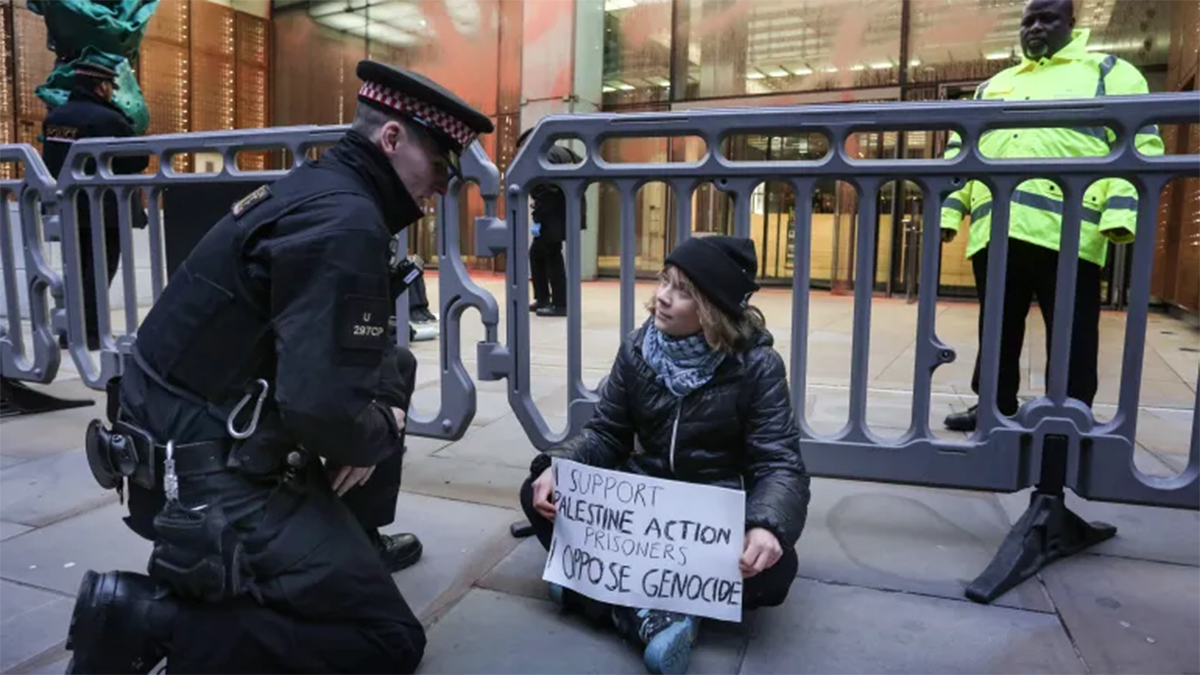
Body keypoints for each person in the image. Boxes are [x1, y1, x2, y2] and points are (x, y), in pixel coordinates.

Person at [66, 60, 493, 673]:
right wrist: (381, 429)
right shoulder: (346, 222)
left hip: (182, 435)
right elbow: (320, 409)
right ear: (392, 139)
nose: (442, 187)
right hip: (207, 478)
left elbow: (335, 362)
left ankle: (347, 547)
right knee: (388, 639)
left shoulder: (320, 189)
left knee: (390, 367)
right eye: (440, 167)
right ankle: (150, 621)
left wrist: (367, 416)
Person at [519, 236, 811, 675]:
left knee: (776, 570)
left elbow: (779, 463)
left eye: (683, 290)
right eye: (664, 281)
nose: (661, 297)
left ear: (712, 308)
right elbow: (606, 432)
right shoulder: (638, 349)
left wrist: (766, 526)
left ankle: (599, 596)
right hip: (641, 508)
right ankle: (655, 611)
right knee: (537, 494)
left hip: (708, 516)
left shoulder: (757, 366)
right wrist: (562, 467)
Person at [939, 0, 1164, 431]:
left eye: (1047, 19)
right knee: (997, 329)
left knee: (1073, 333)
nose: (1035, 28)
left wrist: (1119, 213)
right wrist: (951, 213)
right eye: (1028, 21)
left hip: (1069, 233)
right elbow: (961, 153)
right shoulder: (995, 85)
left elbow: (1140, 142)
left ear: (1072, 24)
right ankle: (992, 406)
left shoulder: (1107, 73)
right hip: (997, 231)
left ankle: (1070, 412)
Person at [40, 59, 149, 351]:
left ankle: (71, 332)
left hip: (68, 206)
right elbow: (138, 159)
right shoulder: (108, 119)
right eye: (109, 86)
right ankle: (92, 333)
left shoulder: (56, 118)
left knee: (75, 270)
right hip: (105, 209)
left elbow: (51, 161)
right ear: (100, 86)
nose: (112, 92)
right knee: (99, 272)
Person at [516, 127, 585, 318]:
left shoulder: (543, 155)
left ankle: (559, 303)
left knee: (550, 256)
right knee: (540, 254)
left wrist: (539, 208)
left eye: (523, 146)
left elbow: (547, 188)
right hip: (568, 211)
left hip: (552, 215)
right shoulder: (565, 152)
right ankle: (544, 298)